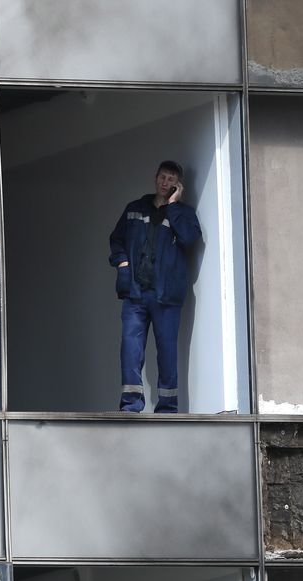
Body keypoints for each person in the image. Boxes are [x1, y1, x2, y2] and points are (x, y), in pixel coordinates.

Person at [108, 160, 202, 413]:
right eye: (162, 177)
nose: (165, 182)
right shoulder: (134, 209)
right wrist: (123, 264)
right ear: (155, 177)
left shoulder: (184, 214)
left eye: (171, 179)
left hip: (166, 296)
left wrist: (172, 207)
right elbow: (116, 240)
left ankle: (168, 408)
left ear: (177, 185)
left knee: (167, 352)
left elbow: (190, 238)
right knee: (130, 348)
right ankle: (130, 405)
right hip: (135, 293)